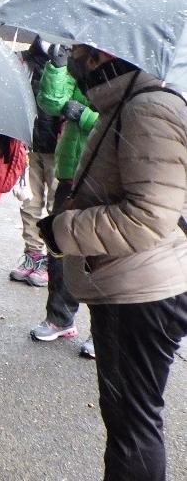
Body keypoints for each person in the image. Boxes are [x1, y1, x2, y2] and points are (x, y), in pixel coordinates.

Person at [38, 46, 187, 481]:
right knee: (128, 419)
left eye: (81, 51)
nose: (76, 59)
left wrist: (64, 229)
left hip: (141, 291)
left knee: (132, 425)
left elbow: (148, 217)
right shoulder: (123, 104)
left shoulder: (148, 109)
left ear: (103, 58)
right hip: (132, 283)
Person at [28, 43, 98, 356]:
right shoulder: (82, 66)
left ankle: (103, 331)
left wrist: (83, 116)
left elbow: (124, 122)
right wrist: (57, 67)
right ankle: (59, 318)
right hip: (70, 171)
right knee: (60, 248)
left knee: (99, 257)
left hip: (102, 176)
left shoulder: (132, 75)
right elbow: (51, 101)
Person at [10, 36, 62, 287]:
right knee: (29, 202)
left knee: (56, 205)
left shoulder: (70, 60)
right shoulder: (26, 60)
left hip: (59, 147)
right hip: (30, 142)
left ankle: (55, 261)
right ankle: (33, 254)